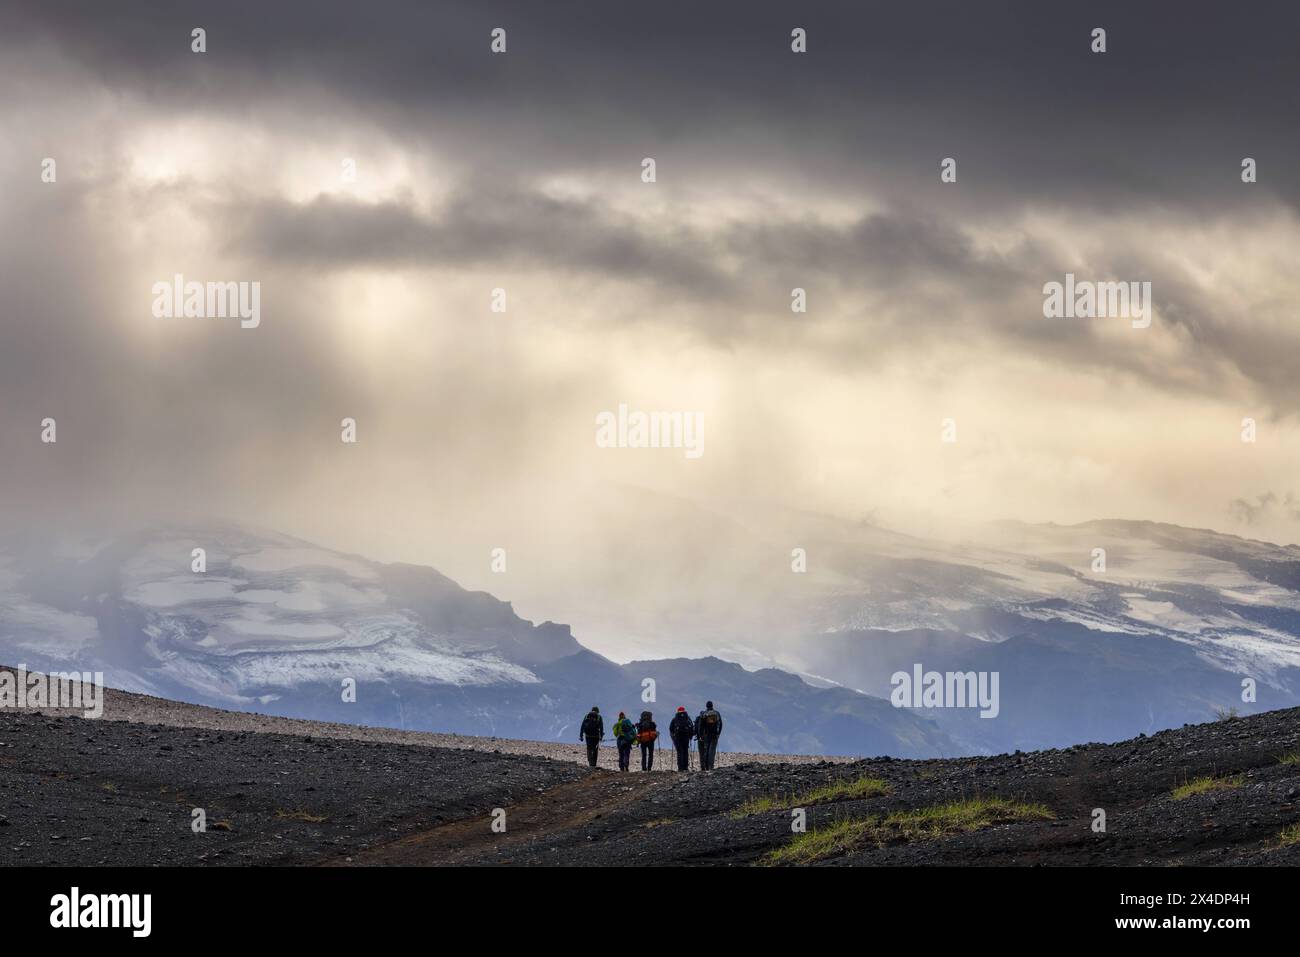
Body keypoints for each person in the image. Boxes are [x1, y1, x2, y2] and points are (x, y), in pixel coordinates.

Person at [694, 700, 723, 771]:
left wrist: (700, 735)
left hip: (706, 735)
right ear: (712, 706)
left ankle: (706, 767)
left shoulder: (704, 714)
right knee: (712, 751)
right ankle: (711, 767)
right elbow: (720, 724)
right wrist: (718, 733)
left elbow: (701, 725)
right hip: (715, 735)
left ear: (706, 706)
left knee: (706, 751)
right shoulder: (717, 713)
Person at [668, 706, 694, 771]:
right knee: (685, 752)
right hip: (686, 737)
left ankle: (680, 768)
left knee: (679, 752)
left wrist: (674, 736)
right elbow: (691, 728)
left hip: (678, 737)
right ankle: (685, 767)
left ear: (678, 711)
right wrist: (690, 736)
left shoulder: (675, 719)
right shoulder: (687, 718)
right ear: (684, 711)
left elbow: (671, 728)